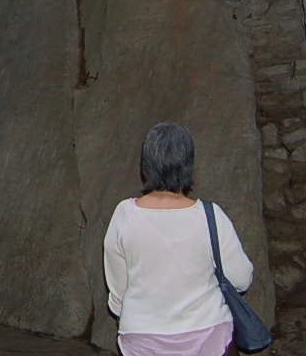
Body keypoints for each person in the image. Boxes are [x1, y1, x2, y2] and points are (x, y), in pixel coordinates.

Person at [103, 122, 255, 356]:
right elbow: (242, 278)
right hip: (207, 334)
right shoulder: (210, 216)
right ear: (188, 165)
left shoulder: (125, 215)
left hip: (143, 338)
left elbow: (118, 292)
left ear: (146, 165)